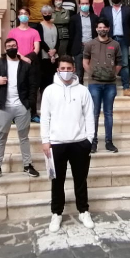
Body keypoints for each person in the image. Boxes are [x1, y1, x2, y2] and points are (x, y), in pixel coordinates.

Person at [40, 56, 96, 233]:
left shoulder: (82, 91)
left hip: (79, 142)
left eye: (69, 68)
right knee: (57, 181)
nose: (65, 71)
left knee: (81, 179)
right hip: (56, 143)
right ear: (57, 69)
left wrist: (89, 139)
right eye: (62, 68)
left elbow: (89, 115)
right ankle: (57, 213)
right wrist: (45, 140)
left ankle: (83, 210)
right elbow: (45, 117)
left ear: (74, 69)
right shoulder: (49, 91)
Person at [0, 38, 39, 180]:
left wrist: (30, 103)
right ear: (5, 49)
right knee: (0, 138)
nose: (11, 48)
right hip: (3, 106)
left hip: (22, 106)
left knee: (24, 137)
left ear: (17, 46)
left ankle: (27, 165)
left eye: (14, 45)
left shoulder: (25, 65)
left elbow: (33, 85)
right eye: (9, 46)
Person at [83, 19, 122, 153]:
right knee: (94, 114)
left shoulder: (115, 44)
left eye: (104, 27)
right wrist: (93, 74)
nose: (102, 29)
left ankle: (109, 142)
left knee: (108, 114)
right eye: (100, 27)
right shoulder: (90, 44)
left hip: (110, 84)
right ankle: (93, 142)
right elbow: (85, 62)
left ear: (109, 28)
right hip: (95, 84)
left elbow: (119, 63)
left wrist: (112, 74)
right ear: (96, 29)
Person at [100, 0, 130, 97]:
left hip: (123, 39)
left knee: (124, 63)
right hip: (109, 40)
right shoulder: (105, 10)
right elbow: (101, 24)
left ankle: (126, 87)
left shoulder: (127, 10)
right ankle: (109, 86)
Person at [8, 7, 42, 122]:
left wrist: (29, 58)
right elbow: (11, 47)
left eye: (25, 13)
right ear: (18, 16)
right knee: (19, 88)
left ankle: (33, 113)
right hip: (17, 62)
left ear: (29, 16)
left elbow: (36, 48)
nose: (23, 15)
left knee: (32, 89)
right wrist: (22, 58)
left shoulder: (34, 32)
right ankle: (17, 114)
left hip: (32, 63)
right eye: (21, 13)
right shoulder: (13, 32)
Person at [67, 0, 97, 84]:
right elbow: (71, 35)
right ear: (79, 5)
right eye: (83, 3)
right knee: (79, 73)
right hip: (79, 48)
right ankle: (80, 93)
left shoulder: (95, 18)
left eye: (86, 3)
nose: (85, 5)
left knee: (93, 72)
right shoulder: (74, 19)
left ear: (90, 4)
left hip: (92, 48)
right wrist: (71, 51)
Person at [36, 5, 60, 95]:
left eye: (49, 13)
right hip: (44, 56)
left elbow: (58, 40)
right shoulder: (40, 26)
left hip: (55, 55)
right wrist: (49, 51)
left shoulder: (54, 26)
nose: (47, 15)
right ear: (42, 14)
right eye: (45, 13)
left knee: (54, 77)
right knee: (45, 78)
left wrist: (55, 50)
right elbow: (40, 40)